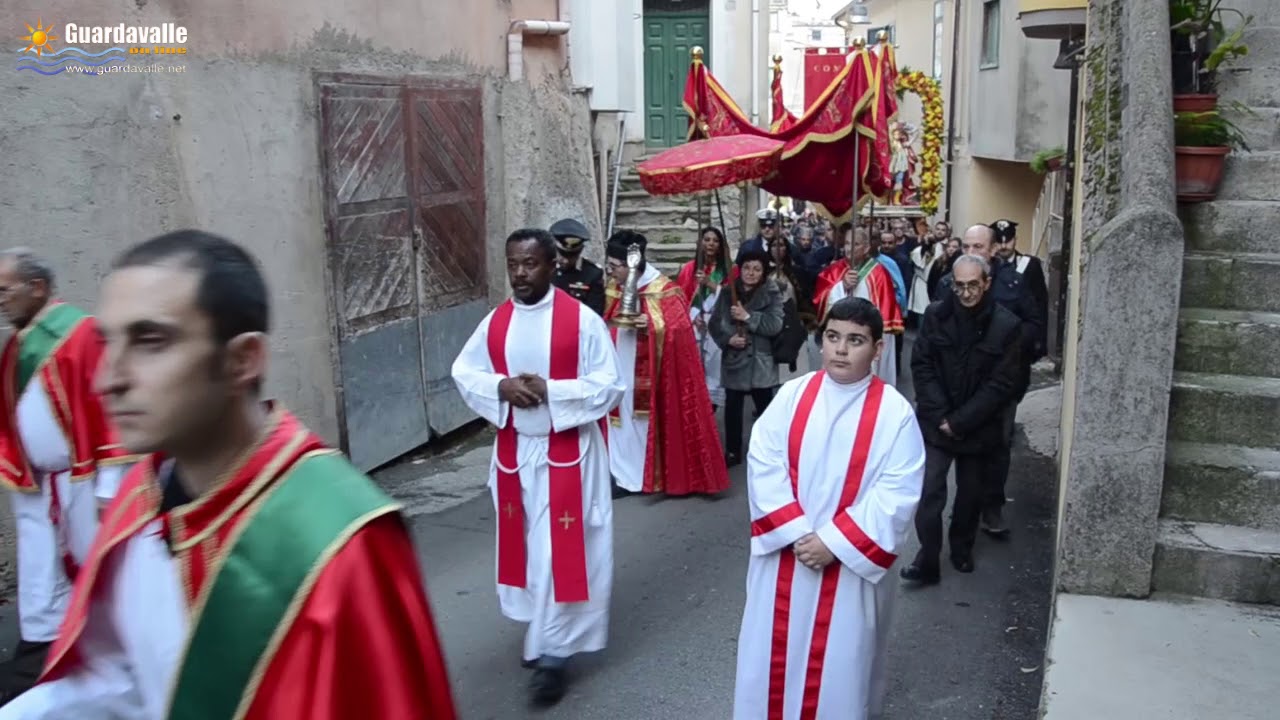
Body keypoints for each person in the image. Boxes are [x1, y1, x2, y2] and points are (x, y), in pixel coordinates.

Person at [0, 231, 457, 719]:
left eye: (150, 342)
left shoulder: (345, 541)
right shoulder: (140, 497)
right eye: (108, 345)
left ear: (243, 359)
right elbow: (117, 679)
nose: (107, 379)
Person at [451, 228, 624, 706]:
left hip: (569, 455)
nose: (520, 273)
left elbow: (610, 385)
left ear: (552, 265)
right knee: (530, 550)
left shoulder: (581, 321)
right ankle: (543, 633)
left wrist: (553, 391)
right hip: (515, 454)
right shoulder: (497, 322)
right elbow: (465, 372)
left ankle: (553, 654)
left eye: (530, 264)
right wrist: (501, 387)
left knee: (556, 553)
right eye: (513, 264)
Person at [733, 297, 925, 720]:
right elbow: (764, 460)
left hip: (848, 568)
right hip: (787, 554)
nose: (840, 349)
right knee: (769, 658)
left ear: (878, 349)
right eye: (833, 337)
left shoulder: (894, 414)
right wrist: (797, 532)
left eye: (855, 340)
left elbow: (897, 493)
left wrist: (834, 543)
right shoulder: (792, 396)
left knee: (841, 664)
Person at [0, 249, 137, 705]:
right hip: (40, 484)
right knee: (39, 573)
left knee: (101, 574)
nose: (0, 300)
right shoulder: (17, 345)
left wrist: (109, 487)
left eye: (5, 290)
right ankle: (40, 659)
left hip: (85, 478)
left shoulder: (81, 334)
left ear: (37, 287)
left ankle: (118, 664)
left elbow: (107, 409)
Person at [902, 255, 1025, 582]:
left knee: (970, 495)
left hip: (978, 427)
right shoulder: (936, 316)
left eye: (973, 285)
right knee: (929, 492)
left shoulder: (1007, 326)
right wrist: (942, 415)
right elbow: (922, 366)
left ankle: (961, 549)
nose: (966, 293)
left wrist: (961, 421)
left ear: (986, 283)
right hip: (936, 423)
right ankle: (927, 558)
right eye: (960, 286)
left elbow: (1001, 384)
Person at [603, 230, 729, 497]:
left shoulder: (664, 290)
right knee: (619, 422)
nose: (610, 272)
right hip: (618, 367)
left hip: (651, 373)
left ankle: (641, 477)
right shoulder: (616, 286)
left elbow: (679, 331)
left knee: (640, 422)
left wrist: (650, 325)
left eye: (614, 267)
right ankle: (620, 473)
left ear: (631, 265)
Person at [710, 250, 784, 467]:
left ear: (763, 272)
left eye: (757, 269)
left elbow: (775, 325)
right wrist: (728, 340)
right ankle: (733, 451)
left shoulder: (772, 292)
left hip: (761, 361)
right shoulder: (728, 292)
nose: (751, 273)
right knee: (733, 409)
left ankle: (768, 450)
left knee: (765, 409)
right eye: (747, 268)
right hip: (735, 360)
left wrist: (748, 317)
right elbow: (715, 324)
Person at [812, 227, 904, 386]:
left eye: (855, 244)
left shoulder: (879, 273)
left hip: (865, 338)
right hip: (841, 337)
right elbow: (819, 299)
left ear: (866, 248)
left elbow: (886, 313)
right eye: (847, 243)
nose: (849, 248)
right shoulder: (834, 270)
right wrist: (841, 286)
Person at [676, 226, 734, 410]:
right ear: (700, 243)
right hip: (695, 326)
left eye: (715, 241)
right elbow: (679, 300)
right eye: (707, 240)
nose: (711, 244)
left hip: (718, 325)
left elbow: (732, 298)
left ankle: (711, 409)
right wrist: (693, 316)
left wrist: (710, 283)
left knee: (714, 373)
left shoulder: (729, 270)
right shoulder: (689, 269)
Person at [550, 218, 606, 316]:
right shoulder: (544, 268)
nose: (566, 261)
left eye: (572, 256)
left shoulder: (592, 273)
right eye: (562, 255)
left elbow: (595, 313)